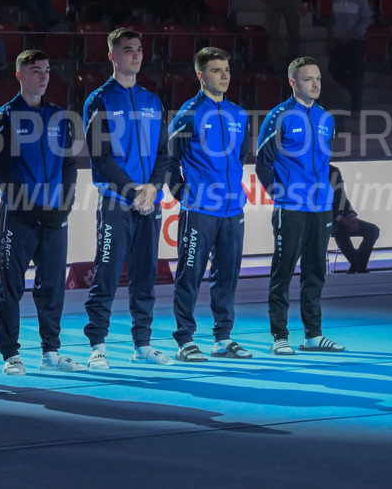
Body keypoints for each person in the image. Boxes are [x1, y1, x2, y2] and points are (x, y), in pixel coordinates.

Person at [0, 49, 84, 375]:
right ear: (20, 75)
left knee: (52, 285)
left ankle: (51, 351)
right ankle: (10, 354)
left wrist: (65, 204)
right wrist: (32, 209)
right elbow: (1, 171)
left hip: (56, 217)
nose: (43, 77)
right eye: (35, 71)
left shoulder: (59, 116)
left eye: (46, 70)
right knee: (11, 286)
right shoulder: (6, 117)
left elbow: (69, 164)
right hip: (20, 216)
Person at [82, 28, 174, 368]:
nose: (135, 55)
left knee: (145, 275)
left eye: (138, 49)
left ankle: (143, 344)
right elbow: (100, 156)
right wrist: (134, 191)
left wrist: (153, 188)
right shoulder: (100, 99)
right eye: (127, 50)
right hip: (116, 203)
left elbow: (164, 154)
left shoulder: (153, 101)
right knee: (106, 274)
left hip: (149, 202)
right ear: (112, 56)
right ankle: (98, 345)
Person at [256, 55, 344, 355]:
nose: (316, 83)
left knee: (316, 271)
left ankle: (313, 335)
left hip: (321, 208)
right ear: (293, 82)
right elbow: (263, 164)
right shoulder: (278, 116)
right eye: (308, 79)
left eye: (318, 78)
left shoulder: (326, 119)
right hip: (291, 208)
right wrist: (280, 195)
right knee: (283, 272)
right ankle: (279, 336)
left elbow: (325, 163)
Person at [168, 47, 252, 362]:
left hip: (232, 209)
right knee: (190, 274)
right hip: (200, 209)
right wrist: (184, 195)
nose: (225, 75)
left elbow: (240, 156)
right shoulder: (188, 113)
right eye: (217, 70)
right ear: (201, 75)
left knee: (227, 274)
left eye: (227, 69)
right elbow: (170, 160)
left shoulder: (239, 114)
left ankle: (223, 338)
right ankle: (185, 340)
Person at [327, 0, 372, 117]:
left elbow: (367, 18)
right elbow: (333, 20)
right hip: (340, 41)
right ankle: (354, 88)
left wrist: (353, 32)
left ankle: (356, 108)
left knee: (355, 73)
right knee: (334, 68)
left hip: (355, 41)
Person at [328, 165, 379, 274]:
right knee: (339, 230)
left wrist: (351, 215)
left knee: (373, 230)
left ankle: (356, 267)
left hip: (339, 216)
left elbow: (341, 196)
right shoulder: (310, 171)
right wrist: (340, 218)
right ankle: (358, 267)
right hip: (322, 219)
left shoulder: (333, 171)